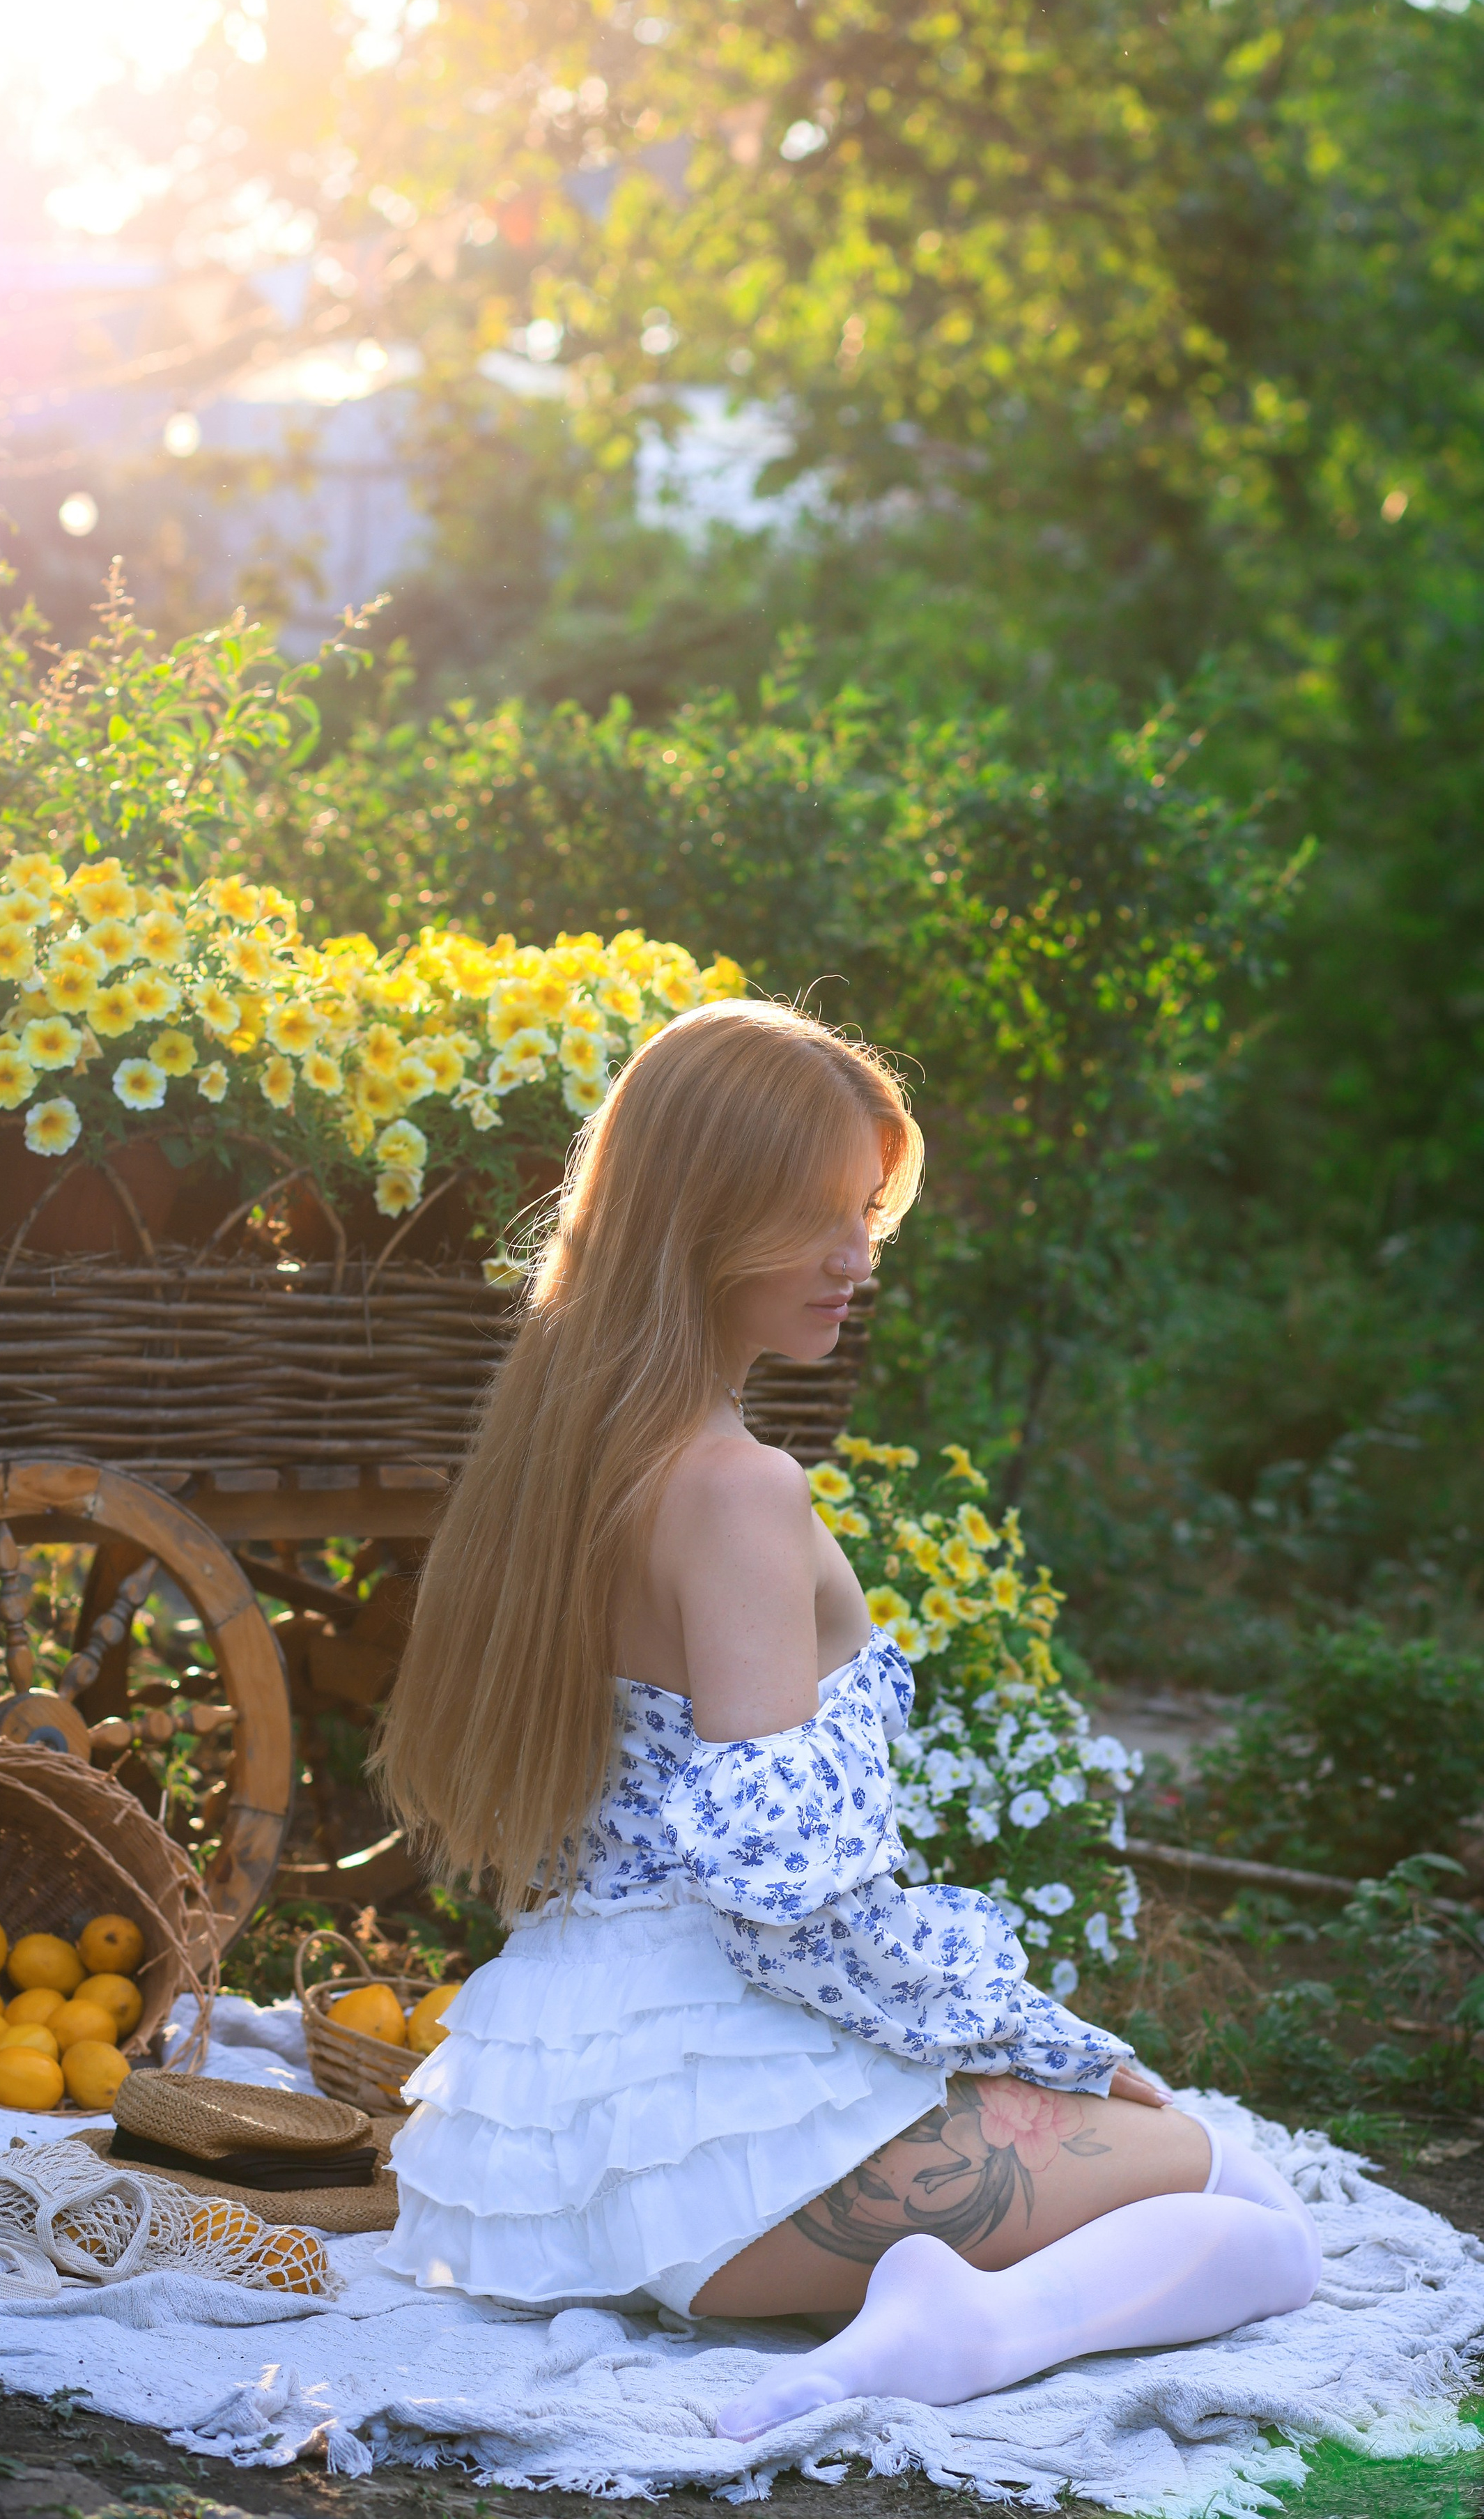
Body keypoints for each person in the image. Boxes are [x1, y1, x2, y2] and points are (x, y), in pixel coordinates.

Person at [373, 1001, 1320, 2433]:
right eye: (815, 1218)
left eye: (864, 1213)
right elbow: (786, 1902)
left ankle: (907, 2294)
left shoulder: (564, 1458)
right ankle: (958, 2328)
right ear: (702, 1217)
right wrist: (1037, 2039)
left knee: (1193, 2163)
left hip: (552, 2131)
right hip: (711, 2109)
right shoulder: (734, 1490)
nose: (854, 1259)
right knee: (1256, 2217)